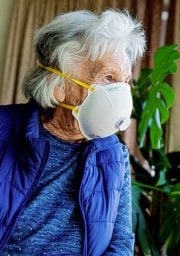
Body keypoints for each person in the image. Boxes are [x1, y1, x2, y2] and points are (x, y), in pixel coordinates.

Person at [0, 9, 146, 255]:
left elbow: (120, 244)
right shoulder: (4, 130)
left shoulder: (114, 156)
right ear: (59, 86)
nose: (121, 93)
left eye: (125, 81)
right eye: (108, 78)